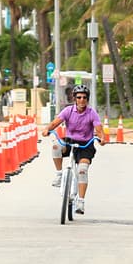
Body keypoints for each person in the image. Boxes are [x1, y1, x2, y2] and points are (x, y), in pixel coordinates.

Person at [44, 84, 102, 214]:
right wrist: (47, 129)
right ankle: (59, 174)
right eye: (79, 97)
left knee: (82, 170)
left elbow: (99, 129)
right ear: (74, 98)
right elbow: (55, 123)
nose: (82, 100)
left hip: (85, 145)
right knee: (55, 146)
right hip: (69, 142)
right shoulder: (68, 111)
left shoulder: (92, 113)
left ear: (87, 99)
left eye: (85, 97)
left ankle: (80, 201)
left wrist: (102, 138)